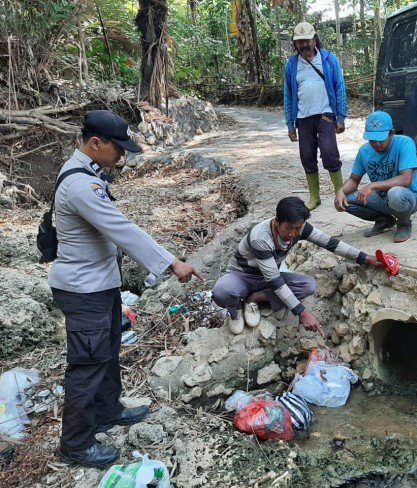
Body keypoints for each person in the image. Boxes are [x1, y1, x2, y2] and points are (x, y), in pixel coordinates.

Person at [49, 110, 205, 469]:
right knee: (87, 364)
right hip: (83, 289)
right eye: (118, 149)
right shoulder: (80, 185)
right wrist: (172, 262)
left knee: (107, 350)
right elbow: (122, 229)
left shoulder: (88, 174)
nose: (121, 155)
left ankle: (107, 411)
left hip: (99, 284)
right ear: (95, 144)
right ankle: (75, 443)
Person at [212, 196, 383, 335]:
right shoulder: (260, 238)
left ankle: (254, 298)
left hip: (268, 277)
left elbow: (330, 243)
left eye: (297, 228)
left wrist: (365, 258)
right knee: (222, 292)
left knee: (308, 286)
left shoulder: (300, 228)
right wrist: (302, 312)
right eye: (289, 228)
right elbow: (274, 280)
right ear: (277, 221)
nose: (293, 233)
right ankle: (236, 310)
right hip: (243, 275)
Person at [283, 21, 347, 210]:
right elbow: (288, 95)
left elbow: (339, 86)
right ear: (295, 44)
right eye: (300, 41)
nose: (304, 44)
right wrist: (290, 124)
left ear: (315, 40)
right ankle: (314, 197)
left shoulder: (328, 59)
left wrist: (341, 116)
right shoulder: (292, 65)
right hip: (303, 117)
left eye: (307, 40)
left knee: (330, 153)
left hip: (326, 114)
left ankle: (340, 193)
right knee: (307, 156)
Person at [335, 111, 417, 243]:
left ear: (392, 133)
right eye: (372, 139)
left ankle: (404, 223)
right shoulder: (364, 150)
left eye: (380, 139)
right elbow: (354, 179)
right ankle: (384, 219)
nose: (376, 143)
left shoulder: (405, 143)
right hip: (381, 197)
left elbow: (406, 179)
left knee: (395, 193)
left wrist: (373, 185)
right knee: (345, 200)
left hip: (407, 197)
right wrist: (340, 192)